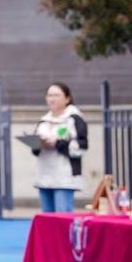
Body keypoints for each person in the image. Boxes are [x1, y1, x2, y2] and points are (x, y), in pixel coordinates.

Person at [32, 82, 88, 213]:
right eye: (49, 95)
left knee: (63, 217)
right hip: (44, 175)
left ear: (67, 98)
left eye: (56, 95)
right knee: (47, 218)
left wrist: (58, 143)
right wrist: (38, 144)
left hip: (64, 175)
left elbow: (82, 146)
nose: (52, 99)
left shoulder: (74, 119)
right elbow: (35, 149)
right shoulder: (43, 121)